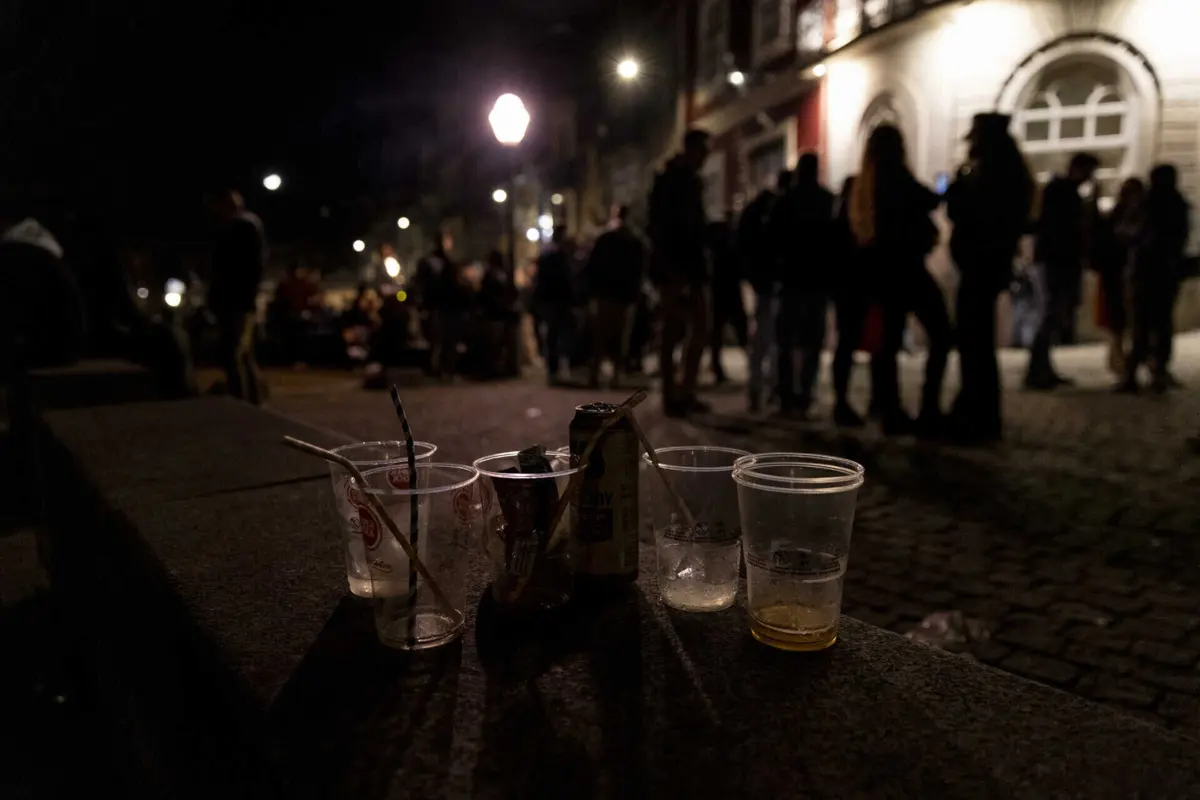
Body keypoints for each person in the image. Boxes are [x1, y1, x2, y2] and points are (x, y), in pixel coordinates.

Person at [848, 125, 950, 436]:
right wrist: (946, 188)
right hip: (906, 268)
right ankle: (925, 407)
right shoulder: (893, 173)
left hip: (883, 272)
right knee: (941, 334)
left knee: (888, 343)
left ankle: (887, 407)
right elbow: (927, 200)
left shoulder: (867, 181)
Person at [946, 113, 1034, 443]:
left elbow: (965, 213)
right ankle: (977, 409)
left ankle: (977, 414)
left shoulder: (993, 177)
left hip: (981, 266)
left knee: (975, 342)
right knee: (976, 343)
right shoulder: (1009, 173)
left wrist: (960, 186)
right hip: (986, 266)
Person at [648, 129, 711, 417]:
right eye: (703, 151)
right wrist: (672, 269)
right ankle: (672, 393)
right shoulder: (672, 181)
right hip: (676, 267)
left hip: (690, 266)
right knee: (674, 330)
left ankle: (684, 390)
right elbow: (666, 229)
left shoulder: (686, 181)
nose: (705, 157)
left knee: (696, 328)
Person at [1025, 152, 1100, 389]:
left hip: (1060, 260)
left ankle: (1043, 368)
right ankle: (1036, 371)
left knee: (1055, 314)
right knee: (1052, 313)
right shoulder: (1061, 191)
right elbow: (1067, 227)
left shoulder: (1064, 191)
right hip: (1058, 261)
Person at [772, 153, 835, 417]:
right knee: (812, 343)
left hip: (792, 281)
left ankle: (787, 396)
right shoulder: (826, 200)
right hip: (816, 281)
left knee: (786, 343)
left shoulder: (785, 201)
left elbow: (773, 239)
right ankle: (804, 394)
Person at [1120, 164, 1190, 393]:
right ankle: (1155, 370)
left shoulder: (1148, 204)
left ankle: (1136, 373)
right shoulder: (1175, 204)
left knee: (1143, 324)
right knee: (1159, 324)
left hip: (1147, 272)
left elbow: (1127, 232)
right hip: (1161, 272)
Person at [207, 189, 265, 404]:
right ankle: (253, 400)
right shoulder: (244, 226)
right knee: (243, 354)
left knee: (233, 354)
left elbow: (236, 268)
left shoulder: (240, 227)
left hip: (236, 301)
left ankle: (241, 401)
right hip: (238, 300)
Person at [739, 170, 791, 412]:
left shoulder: (759, 208)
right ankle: (768, 390)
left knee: (764, 339)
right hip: (774, 284)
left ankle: (759, 390)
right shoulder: (775, 209)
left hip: (765, 283)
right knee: (771, 340)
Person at [584, 205, 645, 388]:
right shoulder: (634, 240)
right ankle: (616, 376)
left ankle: (595, 374)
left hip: (606, 294)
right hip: (624, 295)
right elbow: (639, 270)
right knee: (620, 337)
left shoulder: (606, 239)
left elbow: (593, 266)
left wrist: (592, 292)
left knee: (601, 336)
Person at [1096, 178, 1146, 377]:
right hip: (1116, 274)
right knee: (1118, 320)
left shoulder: (1123, 215)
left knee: (1122, 320)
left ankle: (1122, 361)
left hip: (1119, 273)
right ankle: (1120, 361)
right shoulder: (1121, 216)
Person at [830, 176, 868, 426]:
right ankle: (841, 402)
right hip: (851, 289)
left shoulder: (839, 220)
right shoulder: (849, 223)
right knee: (847, 344)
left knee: (846, 344)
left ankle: (841, 401)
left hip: (847, 289)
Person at [414, 229, 470, 379]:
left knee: (439, 340)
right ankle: (442, 368)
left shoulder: (433, 263)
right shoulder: (443, 264)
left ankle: (439, 369)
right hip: (442, 307)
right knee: (442, 339)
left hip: (439, 306)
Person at [707, 218, 748, 385]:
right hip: (729, 293)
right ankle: (752, 365)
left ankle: (717, 368)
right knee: (739, 330)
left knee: (717, 332)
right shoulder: (730, 249)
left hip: (719, 293)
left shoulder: (715, 253)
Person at [534, 225, 575, 385]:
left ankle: (555, 369)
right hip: (557, 300)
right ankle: (558, 368)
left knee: (554, 334)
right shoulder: (560, 257)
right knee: (558, 334)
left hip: (552, 300)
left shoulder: (549, 255)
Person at [478, 249, 519, 379]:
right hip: (497, 314)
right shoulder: (500, 276)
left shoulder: (494, 276)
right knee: (497, 343)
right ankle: (497, 368)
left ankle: (499, 368)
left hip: (497, 314)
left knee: (498, 343)